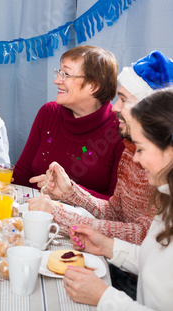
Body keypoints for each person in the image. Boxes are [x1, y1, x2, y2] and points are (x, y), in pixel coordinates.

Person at [28, 51, 173, 244]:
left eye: (123, 99)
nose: (114, 107)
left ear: (150, 110)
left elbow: (145, 236)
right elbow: (115, 212)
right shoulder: (131, 149)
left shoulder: (161, 163)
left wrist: (58, 214)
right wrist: (69, 192)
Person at [63, 88, 173, 310]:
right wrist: (108, 247)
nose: (138, 159)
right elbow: (155, 262)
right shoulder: (167, 197)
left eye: (141, 149)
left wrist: (105, 297)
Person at [12, 45, 124, 200]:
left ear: (93, 86)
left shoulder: (121, 129)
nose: (57, 80)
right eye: (59, 73)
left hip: (84, 224)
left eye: (66, 74)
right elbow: (23, 174)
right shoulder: (49, 113)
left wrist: (69, 192)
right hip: (35, 216)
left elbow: (116, 208)